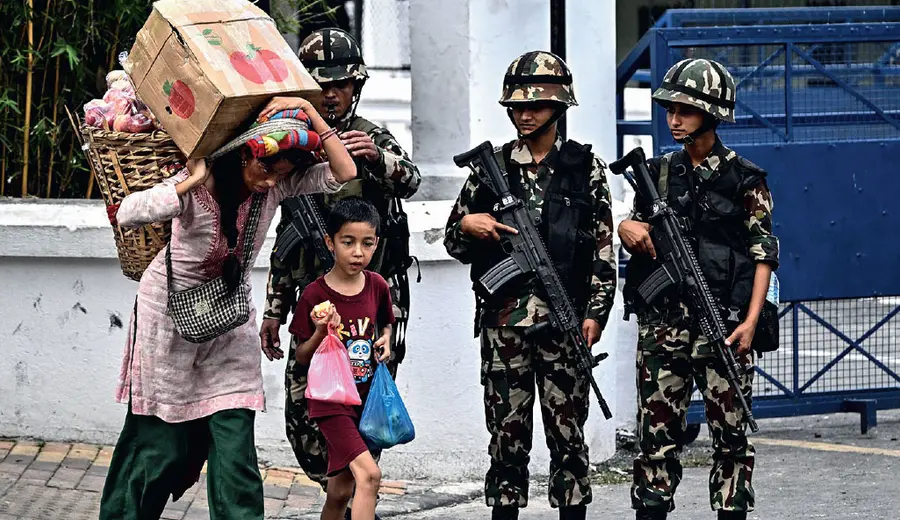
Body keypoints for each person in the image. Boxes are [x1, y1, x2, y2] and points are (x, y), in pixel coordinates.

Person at [98, 96, 356, 520]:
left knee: (235, 441)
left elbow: (344, 172)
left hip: (228, 321)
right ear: (243, 154)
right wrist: (188, 180)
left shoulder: (278, 186)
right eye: (266, 169)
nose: (272, 181)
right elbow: (128, 213)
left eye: (282, 173)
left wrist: (310, 115)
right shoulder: (200, 183)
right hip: (167, 322)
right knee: (161, 448)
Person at [443, 51, 617, 520]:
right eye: (517, 106)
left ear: (558, 107)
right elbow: (452, 241)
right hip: (505, 327)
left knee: (569, 440)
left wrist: (594, 317)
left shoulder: (587, 169)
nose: (524, 113)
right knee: (506, 440)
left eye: (535, 106)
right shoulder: (491, 169)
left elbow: (603, 255)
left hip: (566, 327)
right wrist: (469, 225)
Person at [259, 27, 420, 500]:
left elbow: (411, 180)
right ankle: (341, 492)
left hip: (369, 306)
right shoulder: (293, 145)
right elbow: (284, 239)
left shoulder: (372, 137)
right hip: (315, 307)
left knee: (363, 417)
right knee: (304, 419)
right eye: (320, 84)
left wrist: (380, 161)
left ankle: (352, 502)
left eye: (340, 84)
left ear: (356, 86)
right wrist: (274, 308)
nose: (331, 94)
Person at [618, 58, 779, 520]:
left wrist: (750, 323)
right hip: (664, 327)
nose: (674, 118)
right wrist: (627, 226)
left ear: (711, 115)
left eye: (685, 110)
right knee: (655, 437)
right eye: (670, 109)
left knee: (731, 438)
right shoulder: (658, 173)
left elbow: (764, 254)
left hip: (723, 326)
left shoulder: (746, 179)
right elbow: (637, 223)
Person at [289, 198, 395, 520]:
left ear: (376, 244)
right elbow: (301, 355)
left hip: (363, 401)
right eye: (347, 242)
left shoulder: (377, 286)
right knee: (370, 476)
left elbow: (386, 322)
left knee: (339, 492)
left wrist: (386, 340)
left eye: (366, 243)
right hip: (331, 401)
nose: (358, 253)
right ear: (330, 243)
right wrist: (321, 331)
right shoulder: (314, 294)